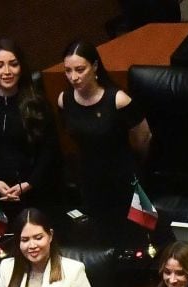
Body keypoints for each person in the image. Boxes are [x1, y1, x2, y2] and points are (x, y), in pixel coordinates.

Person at [55, 41, 150, 231]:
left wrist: (136, 163)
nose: (74, 77)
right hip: (89, 178)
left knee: (134, 232)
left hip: (122, 178)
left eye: (80, 69)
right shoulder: (64, 100)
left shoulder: (118, 100)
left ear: (95, 66)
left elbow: (144, 138)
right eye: (68, 71)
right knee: (98, 233)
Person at [0, 39, 60, 218]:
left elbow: (49, 149)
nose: (7, 72)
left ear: (21, 67)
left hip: (32, 190)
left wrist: (29, 184)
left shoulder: (36, 101)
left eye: (13, 64)